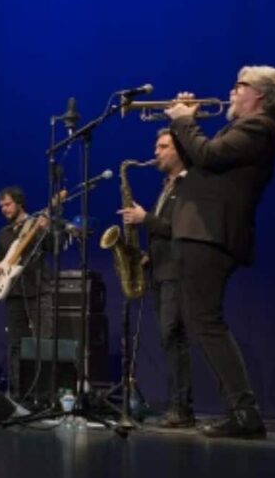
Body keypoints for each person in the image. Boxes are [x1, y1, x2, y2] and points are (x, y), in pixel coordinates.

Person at [164, 65, 275, 439]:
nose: (231, 92)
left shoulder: (260, 128)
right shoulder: (240, 130)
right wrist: (181, 124)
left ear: (260, 97)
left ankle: (245, 412)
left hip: (211, 235)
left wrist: (186, 122)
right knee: (203, 324)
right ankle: (241, 410)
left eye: (239, 86)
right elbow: (198, 158)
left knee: (207, 324)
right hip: (201, 233)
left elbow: (208, 156)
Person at [118, 129, 193, 427]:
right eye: (156, 146)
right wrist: (146, 256)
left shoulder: (189, 186)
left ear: (179, 151)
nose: (156, 152)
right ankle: (178, 406)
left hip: (177, 272)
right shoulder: (167, 186)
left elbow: (181, 229)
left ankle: (182, 407)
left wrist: (143, 219)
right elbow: (164, 233)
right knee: (167, 339)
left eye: (163, 146)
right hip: (161, 271)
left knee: (173, 337)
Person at [0, 186, 51, 401]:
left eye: (8, 204)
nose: (4, 209)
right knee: (16, 345)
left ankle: (43, 396)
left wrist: (45, 229)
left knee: (42, 343)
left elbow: (53, 247)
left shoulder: (35, 224)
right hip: (13, 293)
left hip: (37, 290)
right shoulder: (3, 233)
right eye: (1, 206)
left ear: (19, 203)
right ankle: (16, 396)